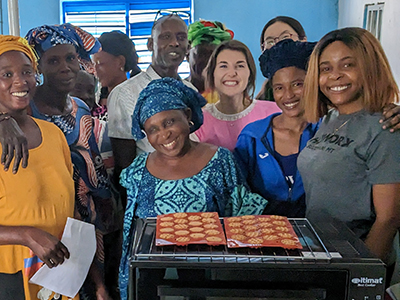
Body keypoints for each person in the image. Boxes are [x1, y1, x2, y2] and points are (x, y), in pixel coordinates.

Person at [119, 77, 268, 300]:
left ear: (187, 116)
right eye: (153, 129)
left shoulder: (219, 160)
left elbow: (241, 216)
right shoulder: (139, 170)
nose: (164, 134)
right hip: (151, 281)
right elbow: (133, 232)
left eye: (169, 122)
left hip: (207, 278)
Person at [24, 24, 119, 300]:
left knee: (102, 290)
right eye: (53, 60)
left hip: (93, 221)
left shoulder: (81, 108)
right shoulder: (25, 113)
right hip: (52, 226)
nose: (65, 67)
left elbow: (94, 163)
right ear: (38, 67)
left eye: (70, 58)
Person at [298, 27, 400, 281]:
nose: (335, 76)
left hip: (357, 260)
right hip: (323, 254)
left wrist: (359, 276)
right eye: (326, 68)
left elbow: (389, 219)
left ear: (369, 67)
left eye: (347, 65)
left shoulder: (386, 127)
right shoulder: (332, 117)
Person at [0, 35, 76, 300]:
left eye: (26, 72)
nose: (20, 81)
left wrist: (94, 281)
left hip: (60, 273)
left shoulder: (54, 134)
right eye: (6, 74)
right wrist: (26, 235)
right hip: (10, 279)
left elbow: (70, 209)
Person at [107, 14, 196, 207]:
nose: (174, 43)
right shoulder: (125, 94)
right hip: (150, 201)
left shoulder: (192, 92)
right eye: (166, 37)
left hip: (194, 198)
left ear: (188, 47)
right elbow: (124, 166)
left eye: (181, 37)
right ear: (150, 44)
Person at [235, 39, 317, 217]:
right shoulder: (252, 138)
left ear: (311, 82)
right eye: (279, 88)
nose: (288, 95)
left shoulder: (326, 132)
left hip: (319, 233)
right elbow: (240, 194)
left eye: (297, 84)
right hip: (266, 232)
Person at [193, 39, 281, 151]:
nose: (231, 73)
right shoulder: (199, 122)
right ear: (213, 73)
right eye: (223, 66)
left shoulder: (274, 112)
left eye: (240, 66)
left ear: (250, 73)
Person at [257, 16, 307, 100]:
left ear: (303, 40)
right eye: (270, 42)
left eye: (285, 37)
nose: (278, 45)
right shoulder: (262, 101)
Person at [187, 19, 233, 101]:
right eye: (201, 54)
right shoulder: (177, 92)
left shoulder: (229, 97)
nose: (208, 62)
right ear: (187, 55)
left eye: (213, 56)